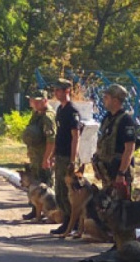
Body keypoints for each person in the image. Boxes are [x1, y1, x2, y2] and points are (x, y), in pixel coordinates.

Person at [50, 78, 81, 235]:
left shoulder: (72, 111)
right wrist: (52, 154)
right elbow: (59, 135)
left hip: (68, 157)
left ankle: (72, 222)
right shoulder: (60, 110)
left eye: (59, 90)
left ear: (67, 91)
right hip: (60, 155)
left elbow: (75, 136)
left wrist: (73, 160)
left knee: (68, 191)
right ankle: (66, 220)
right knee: (60, 190)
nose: (56, 93)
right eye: (55, 90)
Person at [93, 84, 136, 198]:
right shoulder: (107, 118)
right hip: (106, 172)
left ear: (116, 101)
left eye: (106, 97)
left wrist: (121, 173)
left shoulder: (126, 120)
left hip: (118, 172)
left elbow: (129, 149)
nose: (104, 100)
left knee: (121, 208)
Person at [21, 90, 56, 220]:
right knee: (35, 184)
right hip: (36, 156)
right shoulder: (36, 114)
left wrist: (47, 158)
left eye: (36, 100)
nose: (33, 103)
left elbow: (51, 140)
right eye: (32, 100)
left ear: (45, 101)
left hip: (43, 156)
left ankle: (50, 212)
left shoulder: (47, 117)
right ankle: (35, 210)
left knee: (45, 185)